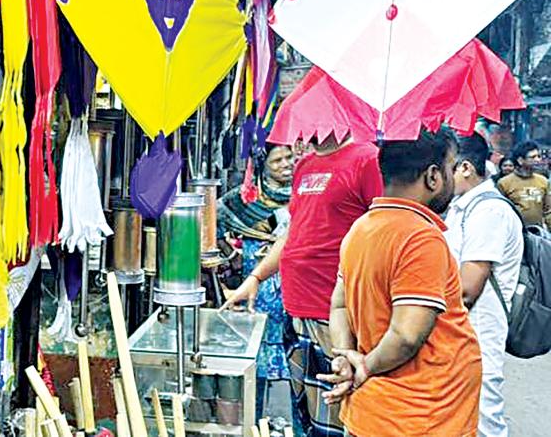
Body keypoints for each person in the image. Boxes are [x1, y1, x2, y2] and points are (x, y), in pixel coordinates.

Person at [320, 127, 482, 437]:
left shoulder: (361, 228)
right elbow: (407, 335)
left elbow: (339, 304)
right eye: (450, 167)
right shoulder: (420, 237)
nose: (452, 177)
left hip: (377, 414)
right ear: (433, 176)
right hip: (421, 417)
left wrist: (345, 355)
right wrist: (363, 367)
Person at [222, 134, 383, 437]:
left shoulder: (365, 158)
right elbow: (295, 230)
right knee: (307, 417)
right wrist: (256, 277)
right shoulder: (307, 165)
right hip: (297, 310)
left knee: (338, 417)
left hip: (334, 312)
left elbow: (382, 226)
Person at [443, 133, 523, 437]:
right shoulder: (462, 206)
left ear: (464, 168)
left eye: (445, 167)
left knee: (483, 419)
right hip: (463, 333)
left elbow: (467, 288)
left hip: (478, 333)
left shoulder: (488, 211)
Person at [216, 143, 294, 418]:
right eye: (277, 161)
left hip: (292, 286)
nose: (286, 164)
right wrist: (231, 256)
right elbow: (213, 221)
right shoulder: (245, 199)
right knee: (254, 359)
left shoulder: (304, 195)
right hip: (257, 286)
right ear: (263, 167)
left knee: (295, 359)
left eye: (289, 157)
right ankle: (253, 421)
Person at [497, 140, 551, 229]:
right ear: (520, 160)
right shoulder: (504, 183)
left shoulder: (543, 181)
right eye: (533, 157)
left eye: (538, 156)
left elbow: (548, 210)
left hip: (537, 234)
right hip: (514, 233)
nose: (538, 160)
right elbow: (500, 213)